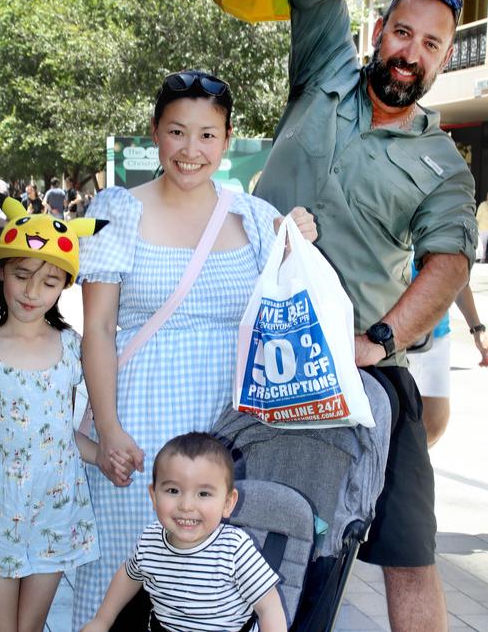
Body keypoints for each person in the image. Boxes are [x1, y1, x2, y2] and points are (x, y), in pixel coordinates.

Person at [252, 0, 477, 631]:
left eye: (432, 43)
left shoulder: (443, 164)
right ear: (378, 30)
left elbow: (449, 261)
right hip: (258, 351)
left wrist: (379, 339)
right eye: (403, 31)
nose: (412, 51)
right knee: (249, 530)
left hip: (366, 372)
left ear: (442, 60)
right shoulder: (324, 73)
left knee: (409, 559)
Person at [72, 68, 316, 629]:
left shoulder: (254, 219)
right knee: (121, 573)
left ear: (227, 140)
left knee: (212, 591)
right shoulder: (116, 210)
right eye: (177, 131)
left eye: (208, 134)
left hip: (227, 436)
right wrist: (108, 428)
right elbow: (100, 328)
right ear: (155, 132)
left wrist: (295, 242)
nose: (191, 149)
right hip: (137, 432)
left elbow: (280, 315)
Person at [0, 197, 107, 631]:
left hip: (58, 509)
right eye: (22, 276)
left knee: (31, 628)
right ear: (1, 270)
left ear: (64, 287)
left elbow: (60, 433)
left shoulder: (72, 347)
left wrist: (105, 456)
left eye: (50, 282)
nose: (33, 292)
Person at [82, 432, 285, 632]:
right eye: (173, 491)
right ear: (154, 496)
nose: (187, 505)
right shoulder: (150, 541)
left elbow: (269, 607)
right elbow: (128, 576)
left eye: (203, 493)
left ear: (227, 503)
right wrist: (103, 619)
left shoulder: (234, 549)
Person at [407, 281, 488, 447]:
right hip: (391, 333)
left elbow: (459, 280)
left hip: (436, 333)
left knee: (434, 426)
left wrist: (477, 330)